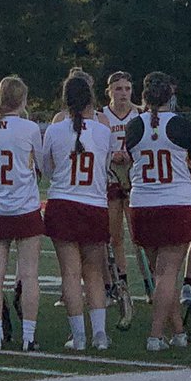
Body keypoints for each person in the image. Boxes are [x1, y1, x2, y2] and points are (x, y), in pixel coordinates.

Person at [125, 71, 191, 352]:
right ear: (170, 96)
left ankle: (179, 332)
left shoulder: (133, 126)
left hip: (143, 204)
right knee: (168, 275)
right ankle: (156, 335)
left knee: (162, 275)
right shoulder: (182, 125)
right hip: (175, 202)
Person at [42, 74, 113, 351]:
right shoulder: (103, 131)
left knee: (70, 274)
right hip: (93, 205)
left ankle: (79, 337)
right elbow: (105, 168)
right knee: (94, 273)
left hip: (63, 204)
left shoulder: (54, 130)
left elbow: (47, 170)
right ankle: (99, 335)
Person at [0, 76, 44, 351]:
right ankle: (28, 336)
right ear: (23, 99)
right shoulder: (29, 128)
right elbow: (41, 165)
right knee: (28, 274)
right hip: (25, 206)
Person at [101, 70, 139, 322]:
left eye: (126, 88)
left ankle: (147, 282)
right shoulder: (102, 117)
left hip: (135, 179)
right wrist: (112, 155)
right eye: (118, 89)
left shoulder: (140, 114)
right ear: (110, 92)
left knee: (139, 234)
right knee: (115, 236)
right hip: (111, 179)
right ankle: (119, 282)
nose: (123, 93)